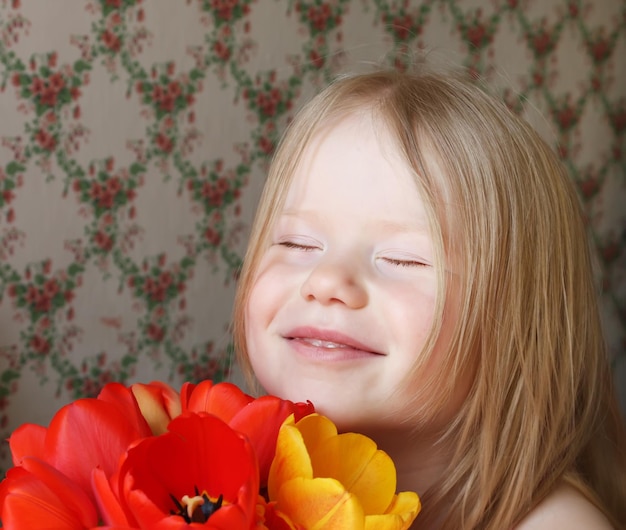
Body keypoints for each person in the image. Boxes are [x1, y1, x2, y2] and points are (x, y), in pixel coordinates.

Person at [232, 67, 626, 529]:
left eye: (403, 259)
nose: (326, 280)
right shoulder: (230, 489)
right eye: (297, 244)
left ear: (516, 323)